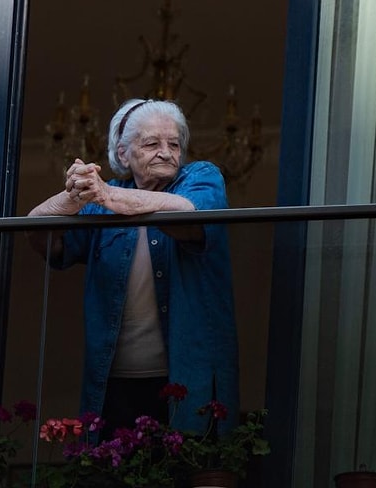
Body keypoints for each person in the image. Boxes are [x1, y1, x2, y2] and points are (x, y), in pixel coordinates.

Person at [28, 98, 239, 435]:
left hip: (189, 380)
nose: (166, 153)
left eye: (174, 144)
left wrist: (107, 196)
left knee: (191, 462)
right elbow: (46, 241)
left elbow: (189, 214)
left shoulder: (201, 177)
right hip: (113, 384)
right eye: (152, 144)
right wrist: (71, 196)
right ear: (123, 154)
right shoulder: (105, 195)